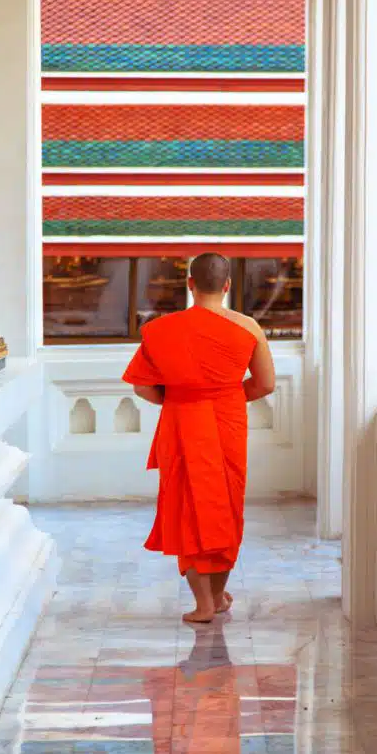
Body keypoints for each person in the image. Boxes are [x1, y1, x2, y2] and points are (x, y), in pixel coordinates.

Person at [122, 252, 276, 623]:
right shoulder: (249, 328)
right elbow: (266, 383)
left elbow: (143, 387)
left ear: (190, 284)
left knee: (187, 507)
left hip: (181, 420)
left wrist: (177, 399)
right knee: (224, 506)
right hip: (227, 420)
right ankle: (219, 595)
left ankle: (204, 603)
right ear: (227, 286)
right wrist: (230, 394)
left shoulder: (161, 329)